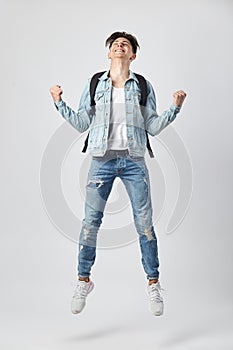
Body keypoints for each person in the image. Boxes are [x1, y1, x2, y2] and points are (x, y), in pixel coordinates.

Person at [50, 31, 186, 317]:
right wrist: (58, 101)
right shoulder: (94, 84)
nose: (119, 46)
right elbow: (80, 122)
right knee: (90, 222)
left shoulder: (143, 86)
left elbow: (154, 126)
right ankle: (84, 281)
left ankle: (153, 283)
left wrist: (175, 108)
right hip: (102, 160)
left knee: (144, 224)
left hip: (134, 160)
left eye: (125, 44)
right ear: (109, 53)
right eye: (115, 44)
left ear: (133, 54)